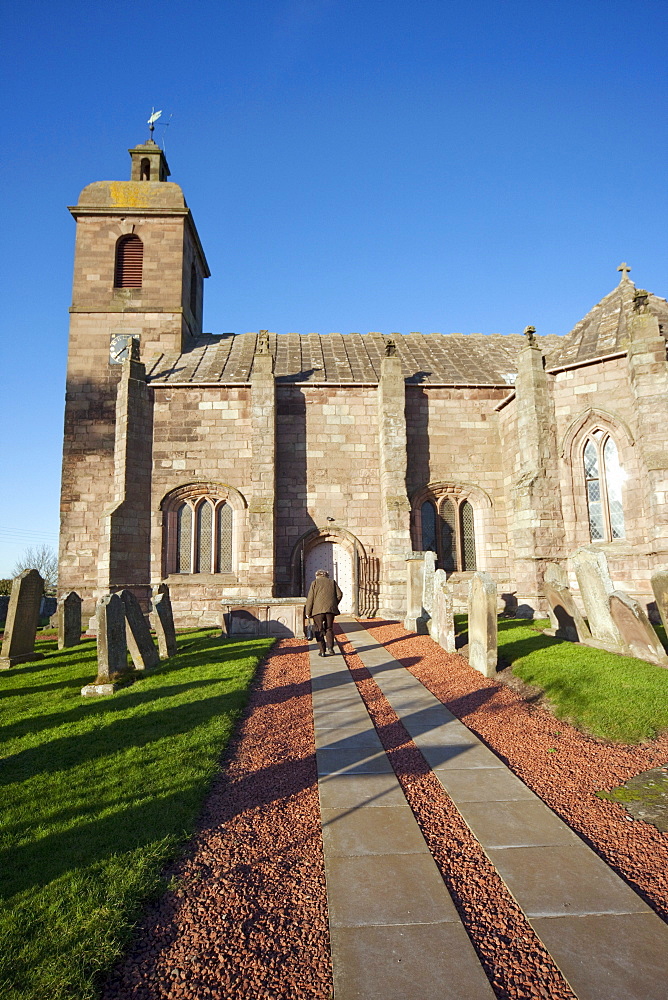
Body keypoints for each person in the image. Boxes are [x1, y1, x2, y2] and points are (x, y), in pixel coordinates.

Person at [305, 569, 342, 656]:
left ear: (317, 575)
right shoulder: (332, 582)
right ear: (326, 575)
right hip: (330, 610)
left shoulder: (315, 583)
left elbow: (310, 598)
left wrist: (308, 612)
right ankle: (331, 648)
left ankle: (322, 651)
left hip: (317, 611)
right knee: (329, 629)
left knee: (319, 629)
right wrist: (334, 604)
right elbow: (339, 594)